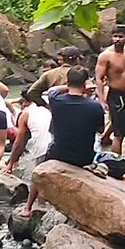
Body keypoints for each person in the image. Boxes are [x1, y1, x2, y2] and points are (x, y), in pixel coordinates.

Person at [19, 67, 105, 217]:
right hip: (83, 157)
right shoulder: (95, 106)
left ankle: (27, 208)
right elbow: (100, 130)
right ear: (85, 84)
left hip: (59, 153)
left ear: (67, 82)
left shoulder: (56, 99)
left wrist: (70, 85)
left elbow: (53, 89)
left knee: (38, 173)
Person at [95, 26, 125, 155]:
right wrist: (101, 100)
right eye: (115, 36)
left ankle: (105, 137)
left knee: (119, 119)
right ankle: (117, 160)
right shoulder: (105, 55)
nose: (117, 39)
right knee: (120, 132)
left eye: (120, 37)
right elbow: (99, 78)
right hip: (116, 94)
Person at [3, 94, 52, 176]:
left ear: (27, 102)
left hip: (42, 152)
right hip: (56, 148)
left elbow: (19, 143)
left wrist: (10, 164)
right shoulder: (48, 109)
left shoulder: (26, 114)